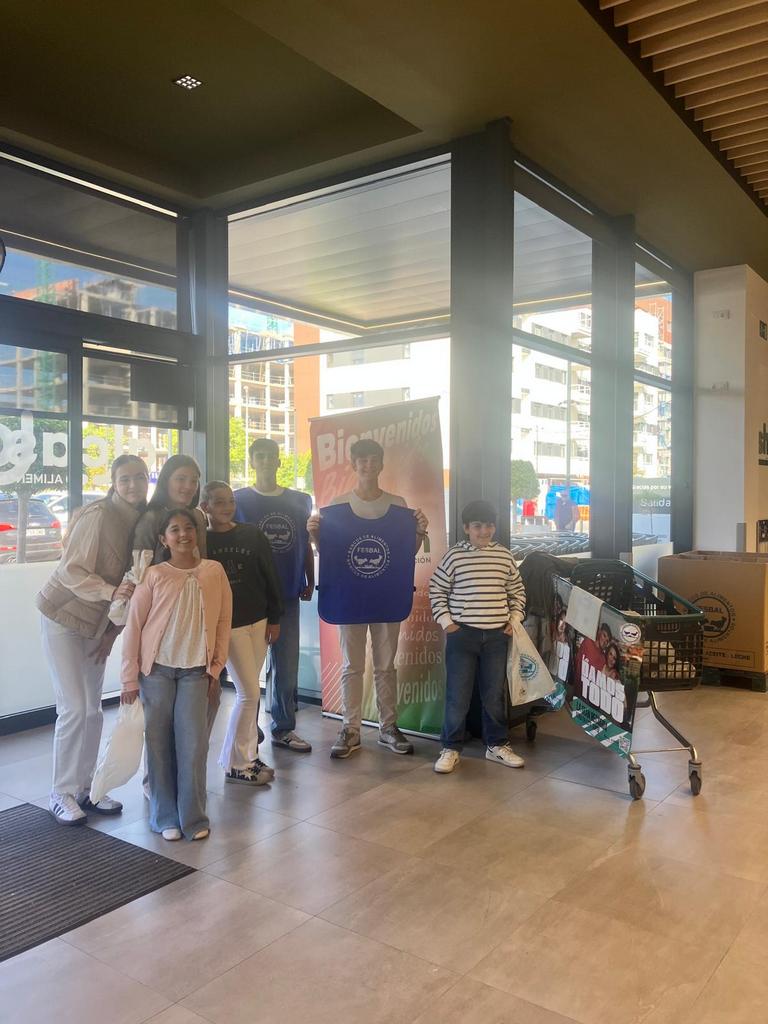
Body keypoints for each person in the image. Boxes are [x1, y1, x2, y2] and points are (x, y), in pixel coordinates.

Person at [37, 455, 150, 825]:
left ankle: (86, 789)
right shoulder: (98, 514)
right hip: (62, 617)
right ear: (113, 482)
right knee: (73, 708)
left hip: (95, 626)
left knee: (93, 710)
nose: (133, 485)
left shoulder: (142, 521)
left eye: (139, 477)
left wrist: (111, 633)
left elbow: (133, 587)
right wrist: (109, 591)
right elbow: (71, 570)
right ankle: (60, 792)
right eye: (125, 478)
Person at [307, 438, 428, 759]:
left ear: (381, 464)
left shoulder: (398, 504)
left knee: (386, 666)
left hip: (387, 596)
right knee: (352, 666)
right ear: (353, 464)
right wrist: (315, 534)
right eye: (362, 460)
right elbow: (330, 553)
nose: (368, 465)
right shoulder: (339, 504)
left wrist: (418, 532)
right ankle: (350, 729)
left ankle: (388, 727)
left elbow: (405, 553)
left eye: (373, 459)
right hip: (350, 598)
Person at [121, 508, 232, 841]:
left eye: (189, 528)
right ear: (163, 539)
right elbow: (134, 627)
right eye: (174, 529)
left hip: (196, 672)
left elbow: (223, 621)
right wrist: (128, 678)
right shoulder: (154, 575)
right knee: (157, 744)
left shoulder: (214, 571)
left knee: (194, 744)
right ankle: (164, 816)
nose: (183, 534)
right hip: (156, 672)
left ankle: (194, 818)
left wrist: (215, 668)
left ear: (197, 533)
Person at [429, 499, 527, 774]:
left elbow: (517, 591)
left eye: (489, 525)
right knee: (457, 695)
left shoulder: (504, 556)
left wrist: (514, 619)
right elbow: (437, 589)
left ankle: (496, 744)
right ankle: (450, 747)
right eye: (477, 526)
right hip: (462, 636)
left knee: (494, 694)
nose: (484, 531)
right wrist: (447, 623)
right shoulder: (454, 556)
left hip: (497, 637)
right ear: (466, 528)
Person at [234, 438, 314, 753]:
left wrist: (310, 579)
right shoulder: (238, 500)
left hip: (288, 594)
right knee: (249, 669)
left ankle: (284, 728)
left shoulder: (300, 500)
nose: (267, 461)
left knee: (287, 665)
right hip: (251, 597)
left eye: (272, 456)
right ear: (252, 461)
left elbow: (305, 543)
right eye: (261, 456)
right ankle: (249, 730)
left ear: (280, 461)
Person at [202, 481, 283, 786]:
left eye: (230, 501)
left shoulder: (252, 534)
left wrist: (275, 618)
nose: (227, 507)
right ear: (205, 507)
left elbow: (270, 576)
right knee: (249, 693)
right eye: (219, 502)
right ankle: (236, 764)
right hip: (228, 626)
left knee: (249, 695)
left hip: (259, 621)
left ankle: (245, 755)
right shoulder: (202, 542)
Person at [132, 454, 207, 566]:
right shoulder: (151, 519)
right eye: (181, 479)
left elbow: (203, 560)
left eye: (194, 481)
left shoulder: (198, 516)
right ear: (165, 481)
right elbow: (138, 567)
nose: (188, 486)